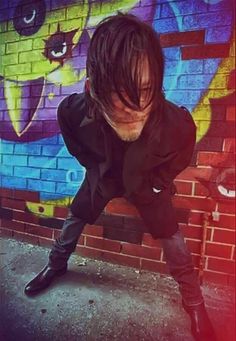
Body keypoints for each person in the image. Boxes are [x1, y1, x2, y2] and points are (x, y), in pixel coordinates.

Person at [24, 13, 217, 341]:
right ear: (94, 87)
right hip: (104, 176)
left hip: (146, 184)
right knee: (75, 216)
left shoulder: (177, 124)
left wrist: (158, 182)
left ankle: (194, 301)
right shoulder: (73, 110)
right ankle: (56, 265)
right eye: (121, 93)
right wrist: (93, 168)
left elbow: (182, 153)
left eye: (144, 89)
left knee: (173, 238)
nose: (137, 107)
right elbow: (73, 138)